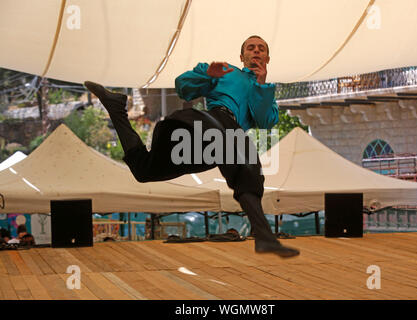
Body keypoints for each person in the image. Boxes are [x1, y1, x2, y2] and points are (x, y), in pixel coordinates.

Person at [84, 35, 299, 258]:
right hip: (212, 123)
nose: (256, 51)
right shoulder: (228, 72)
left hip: (213, 148)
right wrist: (207, 75)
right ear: (242, 56)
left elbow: (264, 121)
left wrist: (261, 85)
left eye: (261, 48)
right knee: (245, 167)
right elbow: (183, 88)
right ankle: (264, 235)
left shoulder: (266, 92)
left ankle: (117, 109)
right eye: (250, 48)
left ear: (267, 57)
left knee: (145, 171)